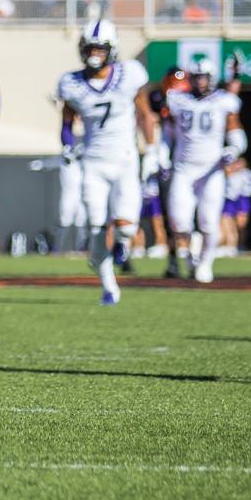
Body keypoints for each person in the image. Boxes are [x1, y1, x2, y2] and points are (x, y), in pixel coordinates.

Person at [55, 20, 155, 305]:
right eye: (90, 48)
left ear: (112, 49)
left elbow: (145, 115)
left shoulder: (130, 74)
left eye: (99, 48)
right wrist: (67, 145)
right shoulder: (71, 83)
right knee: (97, 226)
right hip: (93, 163)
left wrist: (153, 149)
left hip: (125, 160)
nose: (94, 54)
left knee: (124, 226)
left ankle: (122, 245)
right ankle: (109, 286)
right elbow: (66, 121)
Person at [161, 59, 245, 283]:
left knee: (209, 222)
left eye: (203, 77)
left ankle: (205, 263)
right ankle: (192, 254)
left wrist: (234, 149)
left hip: (211, 170)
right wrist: (161, 156)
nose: (200, 81)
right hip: (184, 168)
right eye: (196, 77)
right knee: (179, 222)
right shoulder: (178, 100)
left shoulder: (223, 101)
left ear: (212, 78)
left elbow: (236, 131)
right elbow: (167, 134)